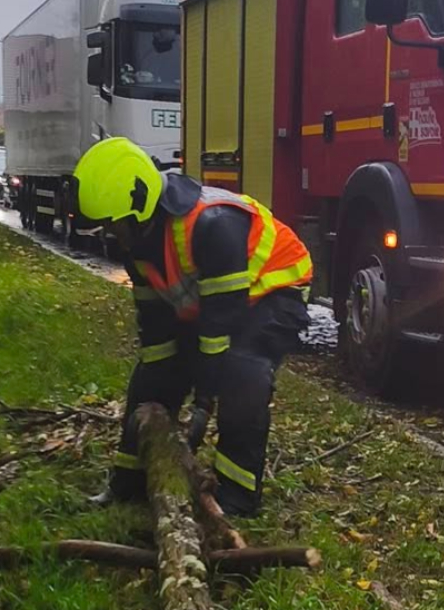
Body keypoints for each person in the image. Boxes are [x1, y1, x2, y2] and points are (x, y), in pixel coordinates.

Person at [74, 138, 312, 516]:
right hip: (216, 305)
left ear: (137, 207)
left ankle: (236, 497)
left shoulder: (210, 225)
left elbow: (220, 327)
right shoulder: (140, 243)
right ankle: (128, 483)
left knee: (242, 371)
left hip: (273, 291)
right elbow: (156, 333)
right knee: (153, 372)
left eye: (112, 224)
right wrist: (157, 380)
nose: (109, 233)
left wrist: (203, 403)